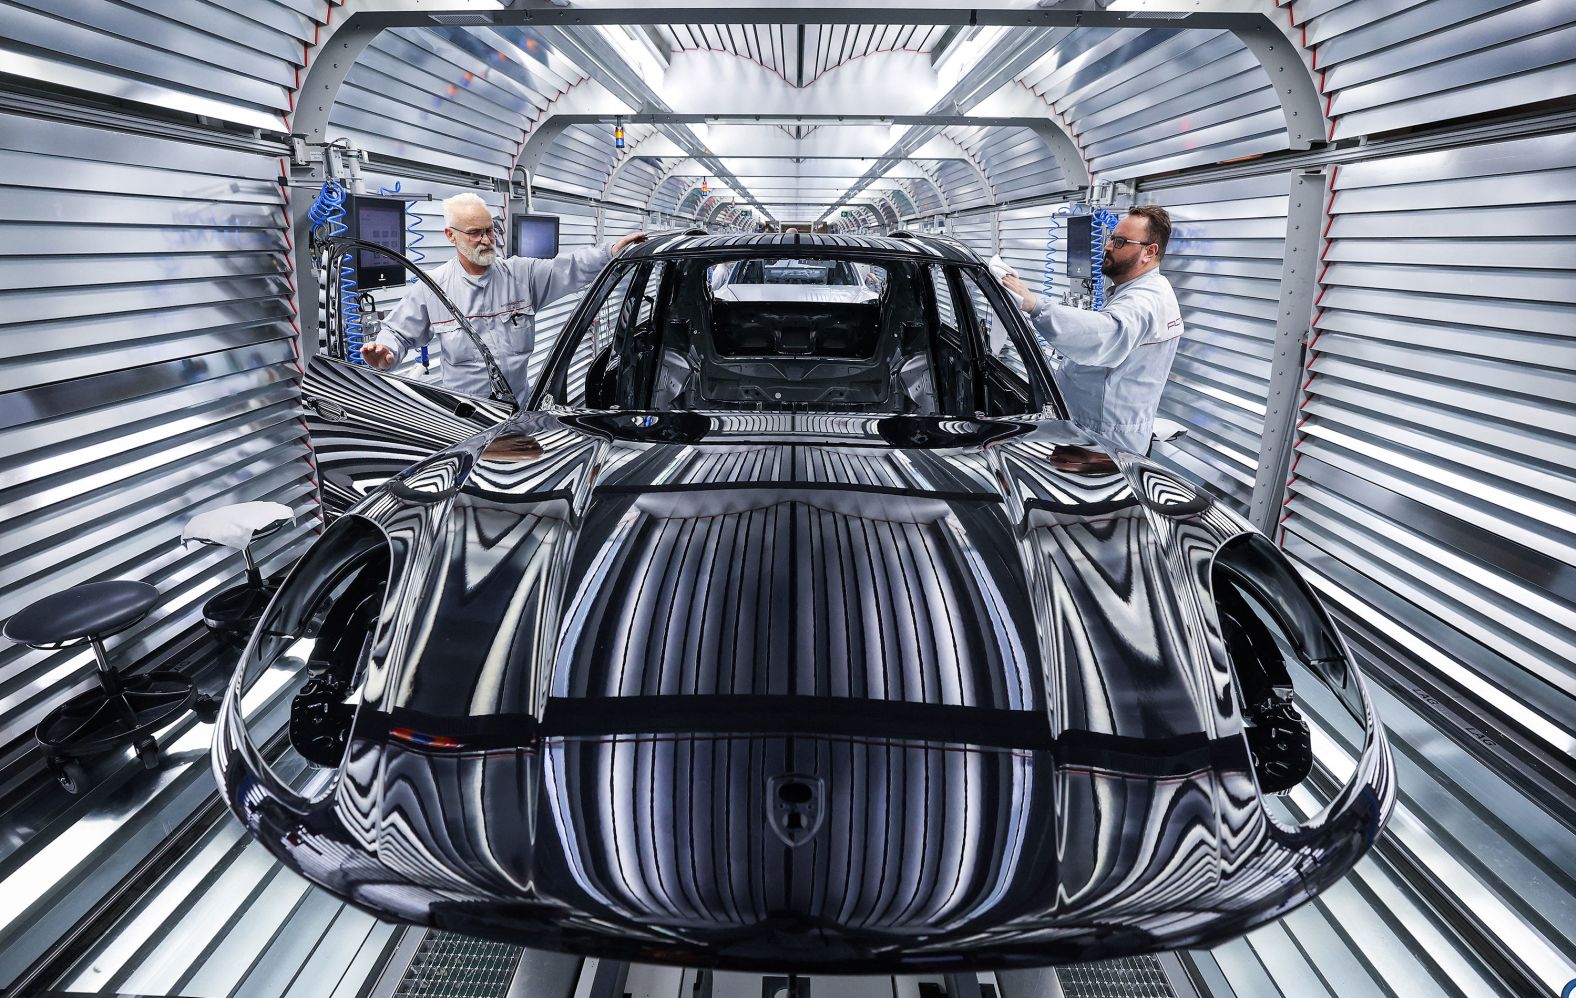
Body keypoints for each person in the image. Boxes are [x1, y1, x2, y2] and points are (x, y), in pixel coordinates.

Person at [361, 192, 646, 400]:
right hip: (466, 417)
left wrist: (611, 253)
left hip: (518, 410)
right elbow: (396, 334)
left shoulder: (522, 275)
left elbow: (570, 267)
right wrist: (386, 354)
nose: (486, 240)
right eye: (475, 233)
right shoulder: (433, 287)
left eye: (489, 231)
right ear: (451, 235)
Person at [1000, 205, 1183, 455]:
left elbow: (1104, 335)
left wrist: (1035, 306)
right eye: (1111, 238)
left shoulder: (1144, 301)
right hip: (1093, 431)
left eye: (1120, 241)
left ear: (1149, 252)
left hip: (1103, 444)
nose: (1107, 247)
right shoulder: (1142, 290)